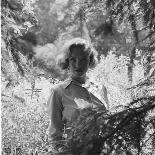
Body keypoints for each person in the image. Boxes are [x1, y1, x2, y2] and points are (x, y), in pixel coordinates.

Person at [46, 38, 106, 154]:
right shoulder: (58, 92)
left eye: (83, 59)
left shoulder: (101, 88)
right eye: (73, 59)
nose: (78, 65)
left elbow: (107, 124)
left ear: (90, 60)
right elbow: (55, 135)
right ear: (67, 61)